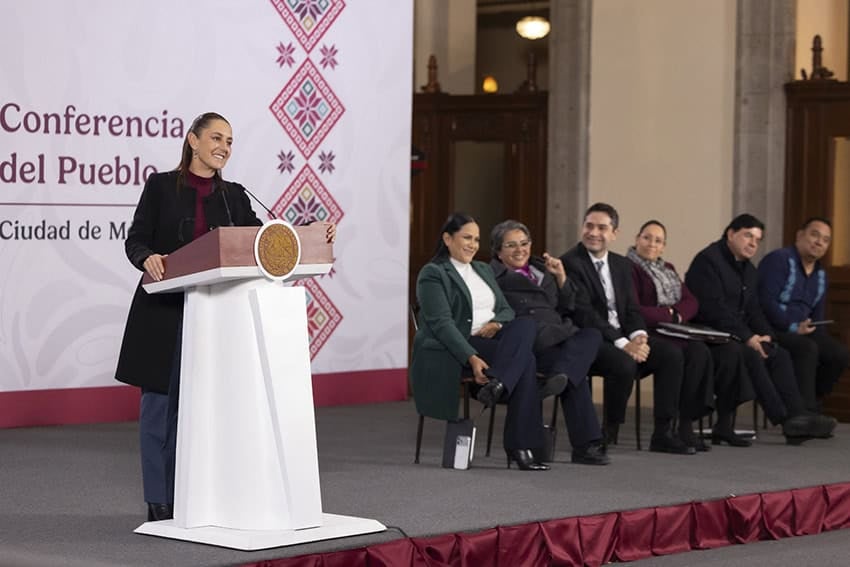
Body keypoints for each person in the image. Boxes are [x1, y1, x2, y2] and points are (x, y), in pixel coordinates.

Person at [114, 112, 335, 521]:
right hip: (165, 315)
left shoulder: (235, 196)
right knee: (160, 410)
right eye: (216, 138)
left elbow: (263, 244)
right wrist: (148, 257)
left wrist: (308, 231)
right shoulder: (160, 186)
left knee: (209, 412)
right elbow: (136, 240)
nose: (224, 147)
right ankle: (159, 501)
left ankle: (201, 498)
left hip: (219, 318)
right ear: (193, 140)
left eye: (230, 141)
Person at [410, 213, 550, 471]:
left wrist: (496, 323)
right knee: (527, 360)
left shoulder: (483, 269)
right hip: (457, 345)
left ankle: (498, 383)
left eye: (476, 239)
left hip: (492, 338)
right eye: (467, 238)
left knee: (526, 324)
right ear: (447, 239)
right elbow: (442, 324)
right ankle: (520, 446)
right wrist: (471, 358)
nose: (473, 245)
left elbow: (506, 310)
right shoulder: (433, 273)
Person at [684, 213, 835, 444]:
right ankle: (786, 421)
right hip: (710, 333)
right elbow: (713, 310)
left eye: (757, 239)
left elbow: (755, 310)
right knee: (751, 354)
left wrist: (767, 337)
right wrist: (748, 337)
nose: (753, 243)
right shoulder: (708, 261)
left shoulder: (749, 269)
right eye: (748, 236)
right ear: (731, 234)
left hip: (736, 334)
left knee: (778, 353)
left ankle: (798, 416)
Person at [561, 203, 695, 455]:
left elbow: (632, 309)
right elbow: (585, 313)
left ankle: (663, 432)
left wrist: (639, 336)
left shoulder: (622, 264)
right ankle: (608, 429)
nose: (593, 232)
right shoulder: (570, 262)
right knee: (623, 362)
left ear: (614, 233)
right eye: (589, 226)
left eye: (602, 228)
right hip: (591, 337)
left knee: (671, 355)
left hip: (624, 335)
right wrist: (624, 344)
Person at [489, 220, 609, 465]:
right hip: (531, 340)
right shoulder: (492, 277)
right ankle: (586, 445)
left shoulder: (542, 270)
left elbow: (567, 307)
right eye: (511, 245)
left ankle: (558, 378)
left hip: (559, 337)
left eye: (524, 243)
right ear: (498, 252)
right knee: (575, 371)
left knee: (592, 336)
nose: (520, 249)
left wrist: (561, 277)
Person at [628, 220, 755, 448]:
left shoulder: (668, 268)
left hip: (674, 329)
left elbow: (691, 301)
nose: (651, 244)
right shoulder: (627, 268)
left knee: (727, 350)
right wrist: (669, 315)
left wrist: (676, 314)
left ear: (663, 247)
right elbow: (633, 308)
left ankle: (718, 425)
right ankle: (680, 427)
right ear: (637, 239)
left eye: (658, 240)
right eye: (646, 237)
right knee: (695, 351)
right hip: (646, 331)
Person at [757, 217, 849, 415]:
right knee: (807, 348)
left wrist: (818, 333)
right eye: (814, 235)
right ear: (800, 236)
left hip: (802, 331)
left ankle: (813, 401)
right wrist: (792, 327)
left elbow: (818, 316)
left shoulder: (821, 274)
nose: (819, 242)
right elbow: (765, 301)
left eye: (825, 240)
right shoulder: (779, 259)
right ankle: (804, 413)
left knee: (839, 354)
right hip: (771, 328)